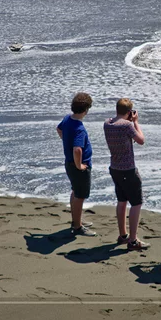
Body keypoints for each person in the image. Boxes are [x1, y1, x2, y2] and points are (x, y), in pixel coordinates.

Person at [103, 98, 150, 251]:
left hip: (115, 168)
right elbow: (141, 140)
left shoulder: (107, 123)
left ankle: (123, 235)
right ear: (130, 112)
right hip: (128, 169)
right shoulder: (127, 125)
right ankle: (133, 240)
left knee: (122, 200)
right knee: (136, 203)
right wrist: (135, 122)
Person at [56, 92, 96, 237]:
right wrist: (79, 166)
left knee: (75, 192)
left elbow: (59, 129)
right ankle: (78, 226)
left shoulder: (68, 118)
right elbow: (77, 150)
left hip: (69, 163)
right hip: (78, 166)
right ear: (86, 110)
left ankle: (76, 220)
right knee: (80, 196)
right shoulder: (79, 129)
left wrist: (66, 140)